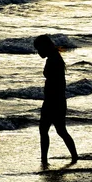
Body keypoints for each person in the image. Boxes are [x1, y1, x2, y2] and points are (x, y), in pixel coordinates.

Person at [34, 34, 78, 167]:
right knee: (59, 130)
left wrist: (51, 100)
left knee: (47, 130)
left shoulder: (54, 60)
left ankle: (44, 160)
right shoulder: (54, 58)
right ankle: (74, 156)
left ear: (44, 47)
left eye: (39, 49)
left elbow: (57, 83)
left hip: (53, 101)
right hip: (56, 100)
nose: (38, 52)